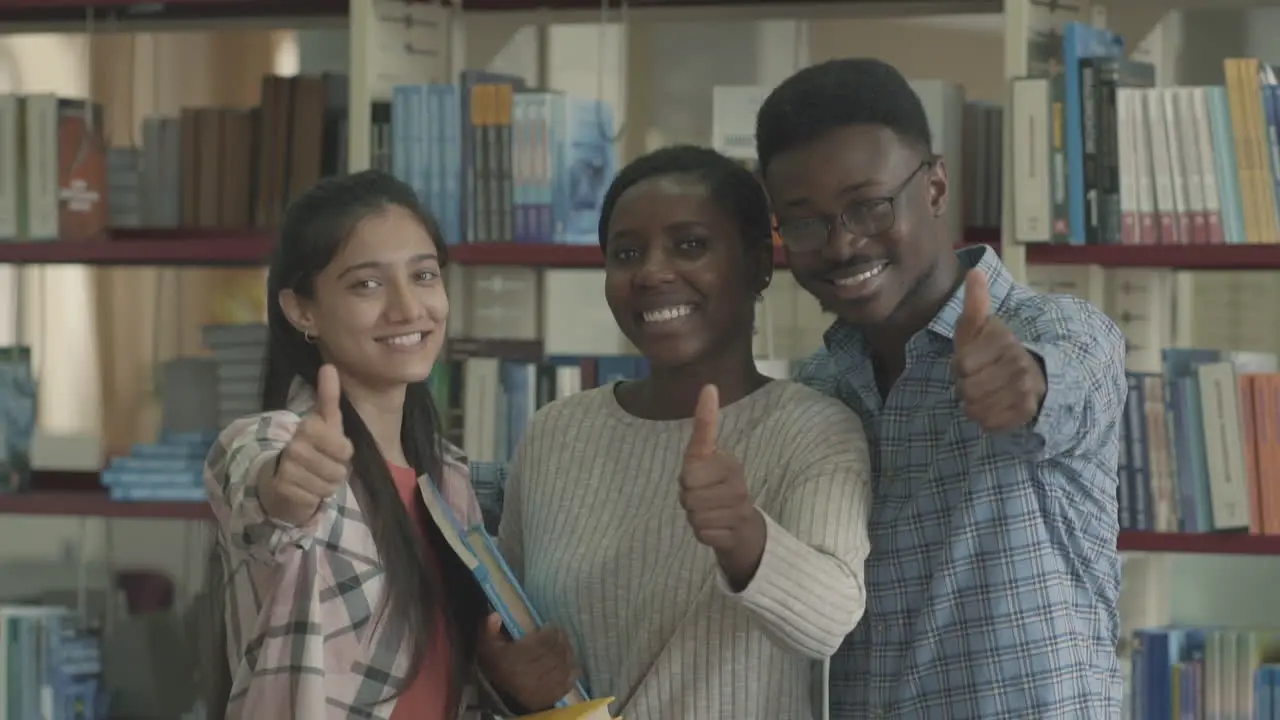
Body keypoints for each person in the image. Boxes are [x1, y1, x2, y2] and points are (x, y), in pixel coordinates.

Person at [754, 58, 1127, 718]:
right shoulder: (818, 391)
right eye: (806, 222)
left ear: (934, 187)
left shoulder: (1058, 329)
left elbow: (1070, 386)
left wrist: (1027, 385)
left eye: (868, 206)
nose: (841, 245)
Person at [496, 145, 873, 720]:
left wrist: (744, 535)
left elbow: (829, 625)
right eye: (626, 253)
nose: (651, 272)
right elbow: (510, 625)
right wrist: (506, 681)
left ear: (758, 264)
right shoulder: (555, 433)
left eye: (690, 245)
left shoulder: (814, 429)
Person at [202, 170, 577, 719]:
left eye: (424, 276)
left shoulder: (451, 484)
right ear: (302, 310)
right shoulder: (268, 440)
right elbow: (262, 498)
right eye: (367, 285)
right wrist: (286, 487)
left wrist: (503, 678)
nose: (407, 308)